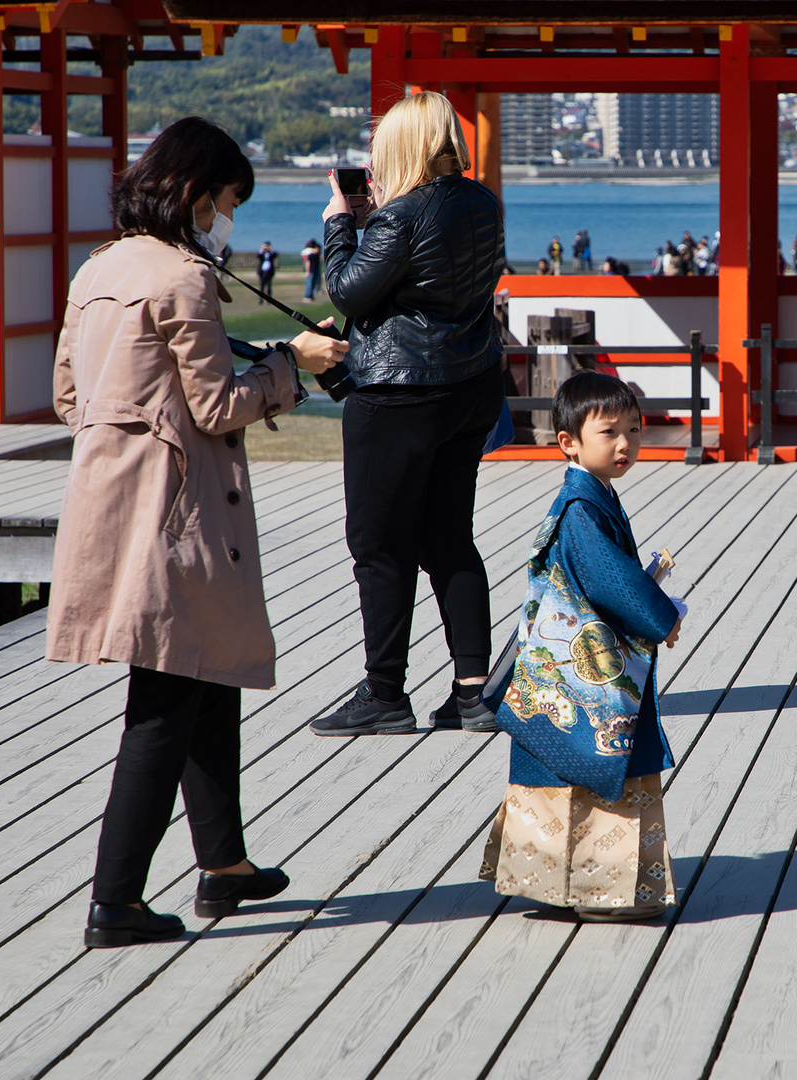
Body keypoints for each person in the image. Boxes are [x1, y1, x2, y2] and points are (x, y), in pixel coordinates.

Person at [46, 116, 348, 948]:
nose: (229, 219)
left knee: (204, 667)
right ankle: (115, 901)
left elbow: (70, 397)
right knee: (165, 695)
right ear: (198, 193)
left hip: (109, 502)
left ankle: (223, 864)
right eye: (228, 201)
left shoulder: (98, 268)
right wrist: (291, 365)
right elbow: (216, 405)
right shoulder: (182, 278)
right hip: (175, 510)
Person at [313, 91, 507, 737]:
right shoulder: (481, 201)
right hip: (470, 383)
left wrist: (341, 224)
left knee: (379, 546)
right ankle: (472, 691)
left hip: (399, 392)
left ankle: (384, 693)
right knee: (448, 537)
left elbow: (346, 292)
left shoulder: (397, 218)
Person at [480, 371, 684, 922]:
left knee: (564, 764)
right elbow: (607, 580)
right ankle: (604, 891)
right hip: (585, 674)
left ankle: (556, 879)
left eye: (634, 431)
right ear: (568, 442)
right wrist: (659, 616)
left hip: (571, 662)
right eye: (609, 432)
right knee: (599, 763)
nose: (625, 444)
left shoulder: (592, 499)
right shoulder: (581, 509)